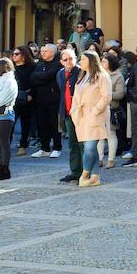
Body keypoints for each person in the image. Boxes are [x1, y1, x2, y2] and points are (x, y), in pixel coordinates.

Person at [69, 50, 111, 188]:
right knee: (88, 147)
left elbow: (106, 97)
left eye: (83, 59)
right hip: (81, 116)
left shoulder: (102, 76)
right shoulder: (83, 76)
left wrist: (95, 111)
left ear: (91, 61)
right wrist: (74, 110)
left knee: (90, 147)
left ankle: (85, 173)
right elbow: (75, 96)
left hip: (95, 115)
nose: (80, 61)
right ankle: (95, 176)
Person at [28, 44, 63, 158]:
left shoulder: (58, 64)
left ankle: (57, 148)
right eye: (42, 51)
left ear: (52, 53)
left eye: (45, 51)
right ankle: (45, 148)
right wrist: (43, 78)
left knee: (55, 124)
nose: (42, 53)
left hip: (54, 100)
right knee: (42, 125)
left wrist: (41, 78)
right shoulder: (39, 64)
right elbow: (32, 78)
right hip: (40, 100)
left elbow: (50, 75)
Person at [57, 49, 84, 184]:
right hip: (67, 112)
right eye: (65, 59)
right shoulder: (60, 74)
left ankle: (86, 171)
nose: (69, 61)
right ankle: (75, 171)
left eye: (71, 58)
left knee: (83, 143)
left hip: (81, 113)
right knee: (72, 143)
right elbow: (61, 91)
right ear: (61, 61)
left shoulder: (81, 71)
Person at [9, 47, 35, 157]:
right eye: (13, 54)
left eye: (17, 54)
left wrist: (31, 94)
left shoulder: (32, 67)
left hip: (26, 98)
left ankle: (23, 145)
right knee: (10, 123)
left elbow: (35, 82)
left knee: (26, 123)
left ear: (24, 56)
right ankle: (6, 145)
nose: (14, 56)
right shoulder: (11, 67)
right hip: (12, 99)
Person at [101, 53, 124, 168]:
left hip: (111, 108)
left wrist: (107, 95)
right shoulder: (99, 75)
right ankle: (99, 158)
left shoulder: (118, 76)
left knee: (111, 134)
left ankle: (111, 159)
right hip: (100, 108)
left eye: (104, 61)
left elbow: (120, 94)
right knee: (99, 135)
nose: (102, 63)